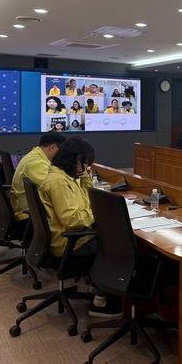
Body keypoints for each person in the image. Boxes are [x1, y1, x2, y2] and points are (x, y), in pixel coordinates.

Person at [38, 136, 121, 317]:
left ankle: (98, 287)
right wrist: (99, 214)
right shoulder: (58, 182)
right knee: (118, 246)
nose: (85, 168)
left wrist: (85, 179)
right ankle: (102, 300)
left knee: (111, 238)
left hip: (72, 237)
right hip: (69, 243)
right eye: (83, 164)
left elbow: (86, 200)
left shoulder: (65, 177)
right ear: (74, 159)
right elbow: (73, 219)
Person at [10, 132, 66, 221]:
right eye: (62, 151)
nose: (63, 155)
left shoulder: (36, 156)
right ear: (52, 147)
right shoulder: (36, 163)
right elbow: (54, 187)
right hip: (28, 215)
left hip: (32, 209)